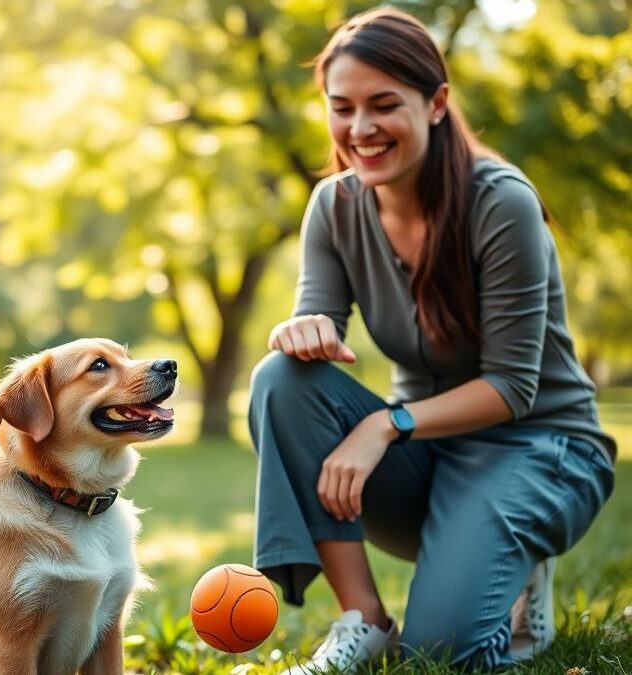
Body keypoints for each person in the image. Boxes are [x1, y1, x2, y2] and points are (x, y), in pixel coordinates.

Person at [248, 7, 616, 673]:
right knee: (279, 376)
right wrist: (302, 331)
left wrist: (384, 425)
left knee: (443, 654)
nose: (360, 129)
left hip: (542, 448)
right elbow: (320, 328)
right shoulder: (333, 208)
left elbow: (512, 386)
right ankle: (364, 617)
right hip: (428, 461)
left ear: (437, 102)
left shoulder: (500, 202)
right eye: (342, 107)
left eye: (384, 105)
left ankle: (514, 557)